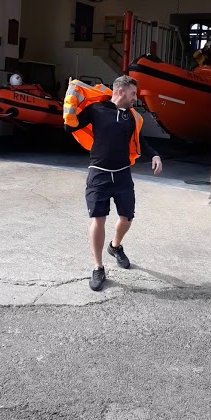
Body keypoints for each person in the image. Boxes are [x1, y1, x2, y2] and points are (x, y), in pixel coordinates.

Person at [64, 75, 162, 291]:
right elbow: (71, 127)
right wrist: (70, 103)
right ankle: (98, 268)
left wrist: (154, 155)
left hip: (122, 174)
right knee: (98, 220)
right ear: (120, 91)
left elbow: (141, 142)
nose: (135, 98)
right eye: (133, 94)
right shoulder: (97, 110)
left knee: (127, 218)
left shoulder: (132, 117)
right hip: (98, 173)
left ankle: (115, 246)